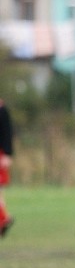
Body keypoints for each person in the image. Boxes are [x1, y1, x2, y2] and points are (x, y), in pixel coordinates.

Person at [0, 99, 14, 237]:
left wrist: (8, 154)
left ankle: (3, 219)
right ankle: (3, 219)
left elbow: (8, 133)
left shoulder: (2, 110)